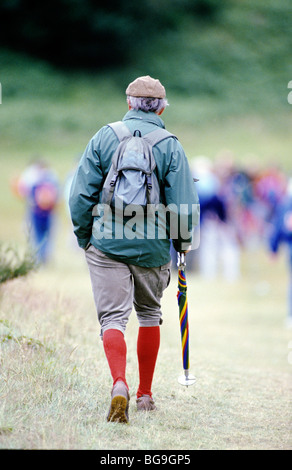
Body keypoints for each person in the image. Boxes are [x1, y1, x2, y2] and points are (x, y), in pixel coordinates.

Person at [69, 75, 199, 423]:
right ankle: (144, 395)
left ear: (128, 103)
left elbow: (80, 195)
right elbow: (184, 205)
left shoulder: (104, 137)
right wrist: (182, 246)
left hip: (107, 243)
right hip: (152, 247)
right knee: (149, 315)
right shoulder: (170, 144)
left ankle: (118, 383)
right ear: (160, 107)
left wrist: (86, 237)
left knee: (112, 318)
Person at [14, 159, 59, 264]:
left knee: (38, 235)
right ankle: (44, 256)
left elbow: (27, 197)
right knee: (47, 236)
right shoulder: (51, 181)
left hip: (37, 213)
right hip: (48, 214)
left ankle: (40, 256)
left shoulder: (34, 182)